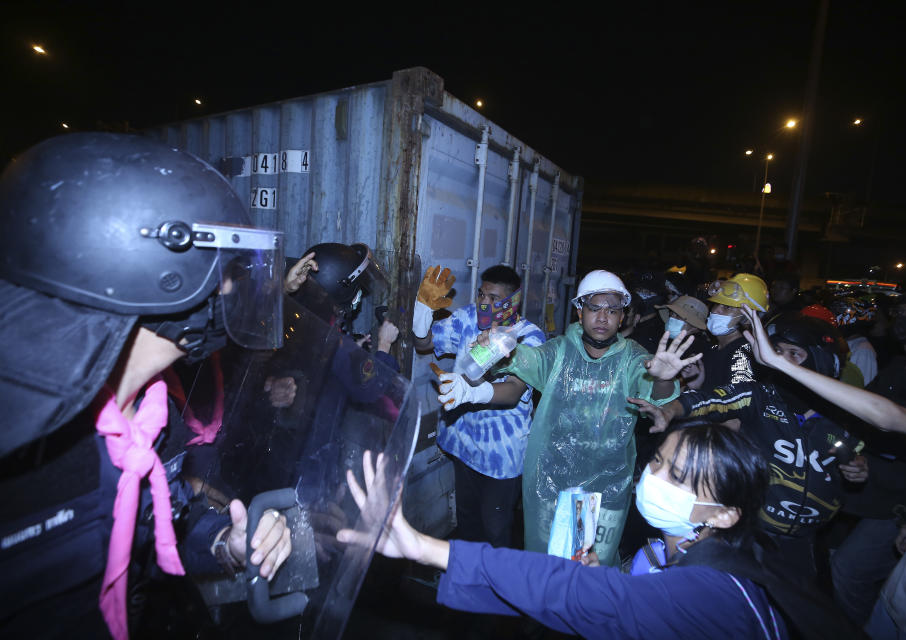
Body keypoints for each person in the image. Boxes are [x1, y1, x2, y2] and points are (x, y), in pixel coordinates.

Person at [0, 133, 291, 638]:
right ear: (162, 271)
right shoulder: (26, 449)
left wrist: (227, 542)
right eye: (225, 270)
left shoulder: (156, 418)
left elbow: (165, 519)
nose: (232, 287)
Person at [337, 426, 859, 639]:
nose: (654, 478)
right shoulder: (666, 549)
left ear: (724, 515)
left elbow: (580, 597)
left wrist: (424, 547)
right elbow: (603, 599)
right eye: (657, 461)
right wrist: (608, 578)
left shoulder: (717, 591)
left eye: (677, 477)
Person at [742, 304, 906, 639]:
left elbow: (884, 418)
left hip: (897, 511)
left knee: (844, 577)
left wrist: (778, 364)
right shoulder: (898, 367)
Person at [633, 313, 870, 584]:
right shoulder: (760, 397)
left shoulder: (844, 415)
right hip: (749, 534)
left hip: (807, 543)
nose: (781, 360)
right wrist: (669, 410)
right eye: (777, 351)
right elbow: (708, 400)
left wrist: (858, 469)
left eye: (795, 354)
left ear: (824, 361)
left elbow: (857, 458)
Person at [486, 270, 698, 566]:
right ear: (579, 311)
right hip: (550, 484)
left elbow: (657, 391)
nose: (603, 317)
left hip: (606, 490)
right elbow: (523, 360)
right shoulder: (558, 352)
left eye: (613, 310)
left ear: (622, 317)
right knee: (545, 568)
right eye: (594, 308)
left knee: (591, 572)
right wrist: (497, 346)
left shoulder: (632, 358)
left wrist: (663, 378)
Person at [826, 284, 906, 625]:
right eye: (902, 312)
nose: (904, 320)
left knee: (849, 570)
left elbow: (901, 428)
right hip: (867, 487)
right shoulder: (896, 365)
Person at [411, 264, 545, 547]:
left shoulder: (528, 336)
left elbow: (513, 392)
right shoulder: (467, 318)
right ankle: (468, 582)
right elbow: (424, 344)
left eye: (494, 298)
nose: (484, 302)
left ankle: (497, 587)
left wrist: (473, 393)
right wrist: (422, 311)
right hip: (465, 444)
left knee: (495, 530)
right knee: (468, 523)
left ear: (512, 301)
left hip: (501, 455)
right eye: (482, 294)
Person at [700, 273, 769, 393]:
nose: (716, 310)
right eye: (716, 303)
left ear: (747, 318)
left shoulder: (743, 355)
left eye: (727, 307)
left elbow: (736, 404)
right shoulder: (714, 348)